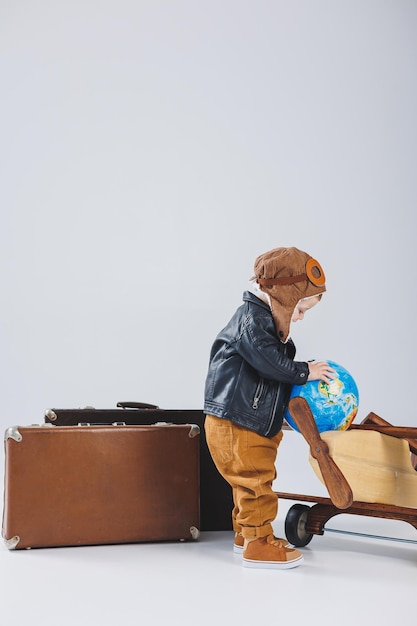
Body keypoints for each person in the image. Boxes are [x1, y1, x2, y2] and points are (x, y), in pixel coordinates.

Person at [203, 246, 336, 569]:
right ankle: (259, 542)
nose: (301, 318)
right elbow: (268, 362)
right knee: (255, 480)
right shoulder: (252, 322)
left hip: (244, 420)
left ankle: (245, 533)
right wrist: (306, 371)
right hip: (239, 422)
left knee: (248, 481)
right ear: (285, 297)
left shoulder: (259, 322)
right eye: (300, 308)